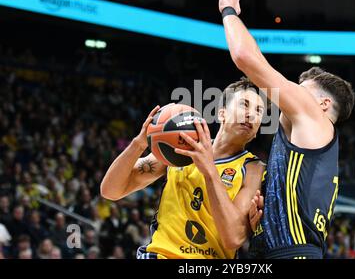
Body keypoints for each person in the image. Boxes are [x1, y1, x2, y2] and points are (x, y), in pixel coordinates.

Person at [219, 0, 355, 259]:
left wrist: (228, 10)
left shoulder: (313, 120)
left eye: (298, 90)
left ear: (322, 105)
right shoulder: (312, 149)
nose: (286, 96)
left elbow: (245, 58)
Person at [101, 77, 266, 259]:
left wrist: (210, 172)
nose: (251, 114)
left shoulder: (254, 169)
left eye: (259, 111)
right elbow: (110, 191)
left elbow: (233, 238)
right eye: (244, 105)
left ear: (258, 128)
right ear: (221, 114)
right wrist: (139, 144)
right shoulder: (181, 149)